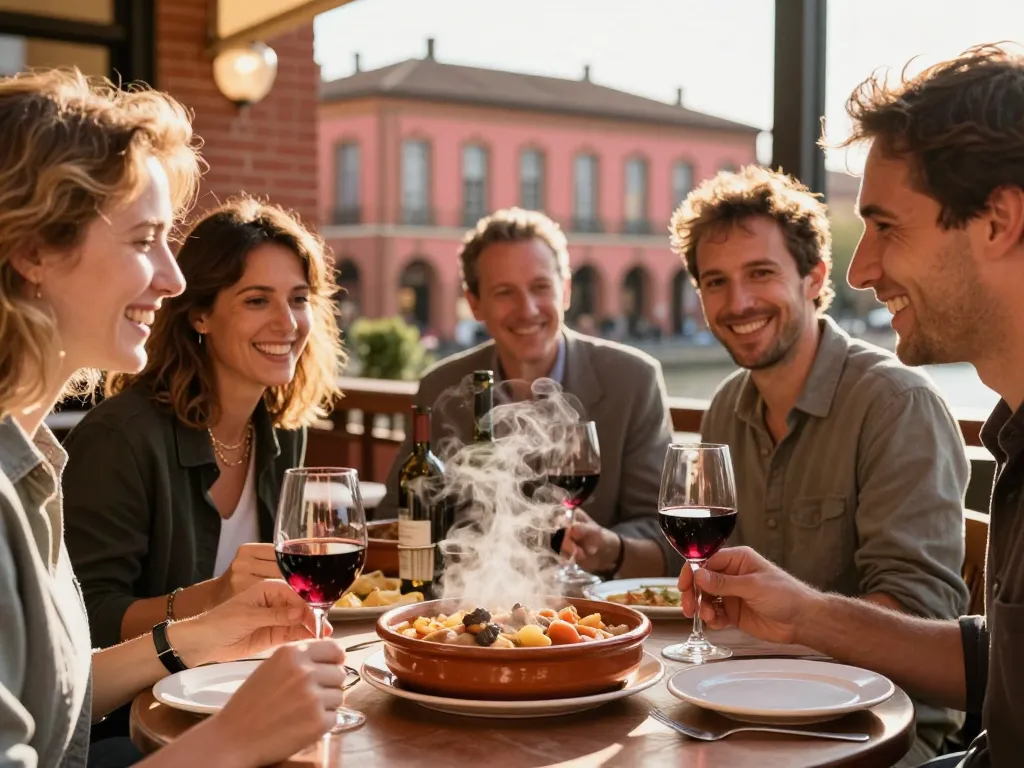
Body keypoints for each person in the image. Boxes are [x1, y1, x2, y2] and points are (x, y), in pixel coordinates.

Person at [677, 44, 1024, 768]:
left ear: (999, 222)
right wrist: (801, 613)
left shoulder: (894, 402)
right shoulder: (1015, 434)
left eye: (887, 226)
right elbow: (1003, 669)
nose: (864, 270)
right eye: (715, 281)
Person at [0, 68, 347, 768]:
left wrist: (203, 634)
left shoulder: (30, 462)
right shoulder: (71, 458)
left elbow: (57, 695)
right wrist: (233, 741)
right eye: (143, 240)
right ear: (35, 251)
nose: (174, 276)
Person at [669, 165, 969, 763]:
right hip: (754, 708)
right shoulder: (728, 405)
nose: (738, 302)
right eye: (715, 282)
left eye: (760, 274)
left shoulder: (894, 404)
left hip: (881, 732)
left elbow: (922, 614)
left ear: (815, 277)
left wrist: (799, 618)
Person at [62, 196, 344, 651]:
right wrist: (212, 599)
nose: (287, 322)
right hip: (136, 710)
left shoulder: (284, 431)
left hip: (244, 680)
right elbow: (83, 618)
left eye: (298, 299)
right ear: (200, 315)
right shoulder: (120, 439)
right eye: (257, 300)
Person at [377, 207, 677, 578]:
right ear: (475, 304)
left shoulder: (634, 380)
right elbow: (397, 514)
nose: (528, 309)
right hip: (466, 605)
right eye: (504, 292)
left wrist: (608, 548)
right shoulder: (441, 386)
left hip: (594, 613)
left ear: (564, 290)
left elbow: (665, 533)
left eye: (540, 287)